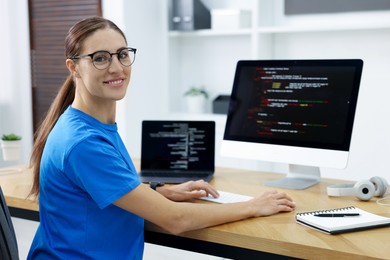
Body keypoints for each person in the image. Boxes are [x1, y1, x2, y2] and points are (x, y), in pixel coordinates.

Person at [27, 16, 295, 259]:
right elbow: (175, 220)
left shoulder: (91, 125)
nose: (116, 67)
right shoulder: (83, 142)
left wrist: (160, 192)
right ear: (74, 67)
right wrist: (253, 206)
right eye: (100, 58)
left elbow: (103, 188)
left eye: (122, 54)